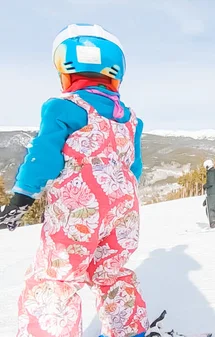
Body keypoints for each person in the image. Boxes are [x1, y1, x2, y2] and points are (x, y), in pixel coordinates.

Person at [0, 23, 149, 337]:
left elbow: (45, 155)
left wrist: (23, 196)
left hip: (78, 211)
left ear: (66, 74)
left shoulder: (64, 107)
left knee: (56, 278)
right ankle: (128, 331)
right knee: (112, 272)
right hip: (123, 209)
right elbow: (134, 168)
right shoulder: (130, 118)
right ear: (115, 75)